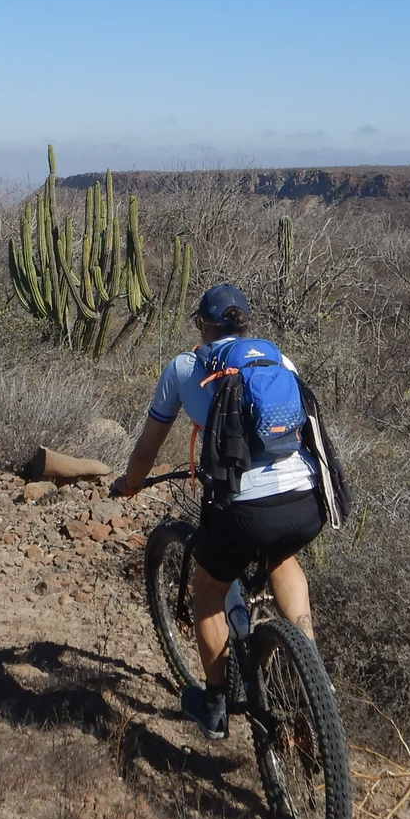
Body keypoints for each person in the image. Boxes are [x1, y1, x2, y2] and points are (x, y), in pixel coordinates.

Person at [113, 283, 325, 740]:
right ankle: (312, 675)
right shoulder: (276, 359)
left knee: (208, 591)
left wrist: (131, 484)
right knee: (282, 558)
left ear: (201, 326)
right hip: (305, 500)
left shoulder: (184, 368)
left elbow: (148, 447)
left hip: (243, 507)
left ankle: (214, 704)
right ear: (244, 323)